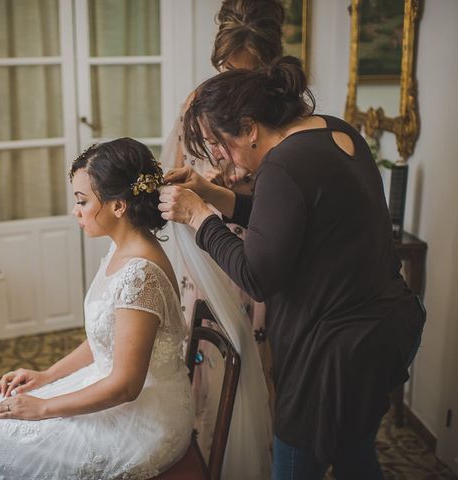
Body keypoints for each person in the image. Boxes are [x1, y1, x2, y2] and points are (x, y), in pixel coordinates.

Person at [158, 56, 426, 479]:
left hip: (335, 353)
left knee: (297, 467)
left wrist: (199, 218)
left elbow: (256, 275)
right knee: (356, 456)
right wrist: (211, 193)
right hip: (386, 328)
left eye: (218, 142)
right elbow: (280, 223)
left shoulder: (283, 165)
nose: (216, 155)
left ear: (249, 128)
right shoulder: (333, 130)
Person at [0, 138, 194, 479]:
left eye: (83, 201)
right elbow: (108, 340)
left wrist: (43, 407)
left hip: (143, 419)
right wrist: (47, 376)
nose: (76, 211)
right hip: (114, 390)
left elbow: (127, 386)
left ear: (118, 206)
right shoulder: (121, 253)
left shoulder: (140, 275)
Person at [159, 1, 284, 476]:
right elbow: (176, 173)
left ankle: (260, 453)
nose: (234, 81)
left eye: (246, 71)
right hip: (207, 243)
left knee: (258, 351)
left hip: (255, 236)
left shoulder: (279, 111)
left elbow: (279, 182)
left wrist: (239, 182)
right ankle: (207, 443)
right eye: (228, 70)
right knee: (206, 348)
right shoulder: (200, 102)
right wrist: (204, 181)